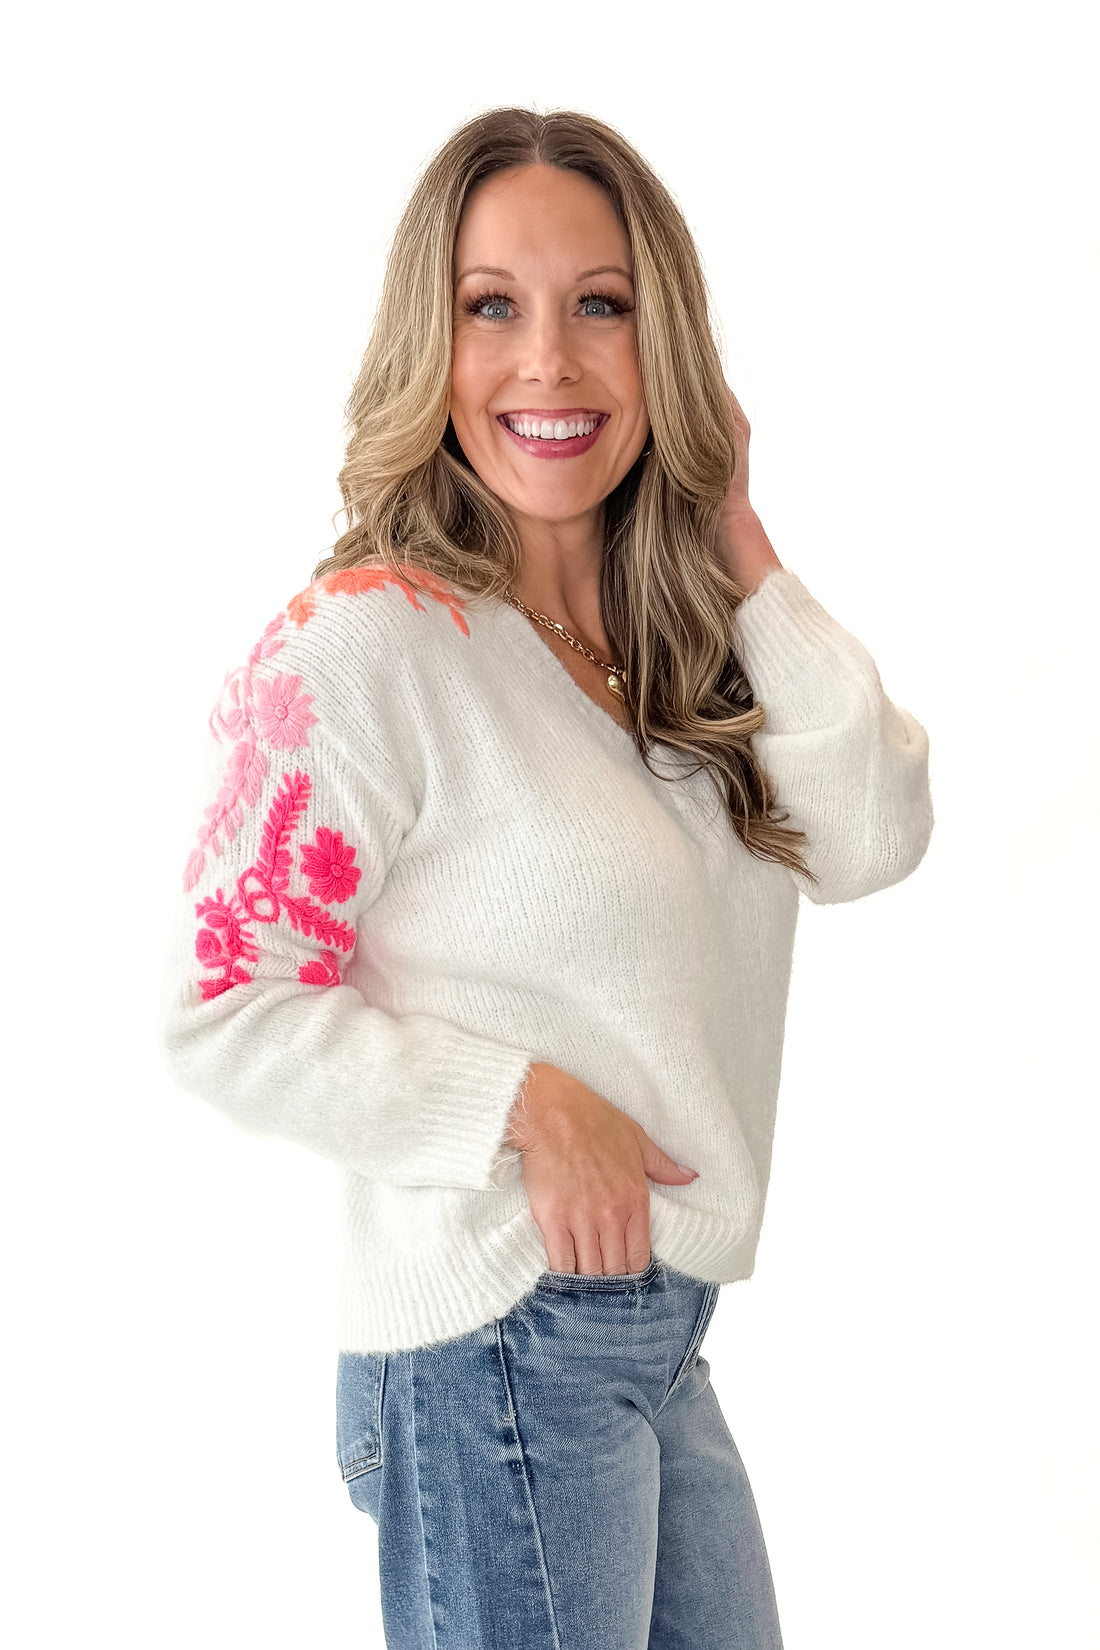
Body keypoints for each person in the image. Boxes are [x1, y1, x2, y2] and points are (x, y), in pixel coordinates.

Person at [158, 105, 934, 1650]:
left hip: (660, 1334)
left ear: (667, 343)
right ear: (426, 344)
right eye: (490, 307)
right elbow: (220, 1007)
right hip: (494, 1332)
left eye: (602, 305)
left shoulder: (666, 657)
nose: (550, 362)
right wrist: (523, 1099)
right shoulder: (372, 640)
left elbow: (875, 831)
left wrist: (737, 540)